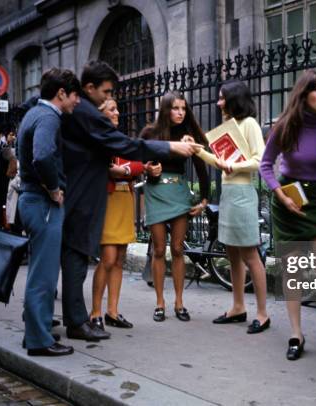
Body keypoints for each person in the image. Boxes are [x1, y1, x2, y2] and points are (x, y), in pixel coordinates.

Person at [60, 60, 200, 341]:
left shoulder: (83, 112)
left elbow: (129, 156)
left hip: (100, 195)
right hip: (86, 196)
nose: (111, 99)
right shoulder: (87, 113)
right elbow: (130, 147)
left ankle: (89, 316)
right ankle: (80, 320)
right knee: (82, 259)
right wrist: (171, 147)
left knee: (92, 258)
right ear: (90, 88)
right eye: (107, 92)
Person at [260, 70, 316, 362]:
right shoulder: (285, 125)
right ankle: (296, 334)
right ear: (304, 94)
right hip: (288, 202)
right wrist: (280, 194)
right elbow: (265, 165)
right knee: (292, 273)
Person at [188, 79, 270, 334]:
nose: (218, 102)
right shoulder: (230, 126)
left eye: (222, 98)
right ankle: (238, 307)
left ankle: (262, 314)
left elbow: (260, 160)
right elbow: (221, 163)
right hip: (230, 193)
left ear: (234, 99)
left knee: (250, 254)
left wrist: (235, 166)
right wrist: (198, 150)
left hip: (243, 193)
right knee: (232, 253)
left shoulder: (250, 125)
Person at [18, 68, 81, 356]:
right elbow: (42, 155)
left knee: (38, 273)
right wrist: (54, 188)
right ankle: (40, 340)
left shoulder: (33, 113)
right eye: (75, 95)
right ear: (61, 93)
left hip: (32, 200)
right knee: (43, 276)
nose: (77, 102)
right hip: (42, 202)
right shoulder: (48, 117)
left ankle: (35, 331)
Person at [141, 91, 210, 322]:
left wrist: (204, 199)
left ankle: (179, 303)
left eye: (183, 108)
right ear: (166, 109)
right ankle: (159, 303)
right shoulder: (151, 132)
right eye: (175, 108)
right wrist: (148, 168)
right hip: (156, 192)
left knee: (178, 249)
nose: (180, 112)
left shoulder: (188, 134)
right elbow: (138, 159)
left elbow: (202, 166)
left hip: (179, 193)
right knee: (159, 250)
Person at [90, 98, 144, 330]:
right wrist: (118, 171)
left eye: (117, 109)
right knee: (108, 258)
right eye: (112, 109)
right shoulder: (95, 137)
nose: (117, 113)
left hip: (124, 199)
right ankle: (95, 312)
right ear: (99, 113)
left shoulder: (119, 138)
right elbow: (99, 169)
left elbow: (139, 163)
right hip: (107, 201)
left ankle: (112, 311)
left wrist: (124, 170)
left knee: (120, 257)